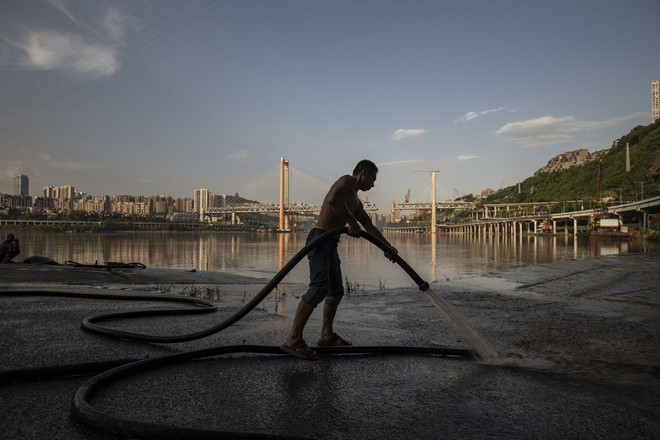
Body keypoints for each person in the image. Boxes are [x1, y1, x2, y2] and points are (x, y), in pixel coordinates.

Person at [281, 160, 398, 360]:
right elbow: (332, 200)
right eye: (373, 178)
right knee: (318, 287)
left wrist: (387, 247)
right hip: (320, 239)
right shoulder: (345, 181)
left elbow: (369, 226)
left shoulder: (356, 202)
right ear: (363, 173)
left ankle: (326, 335)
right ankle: (293, 338)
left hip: (331, 244)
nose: (373, 184)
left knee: (335, 291)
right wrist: (351, 222)